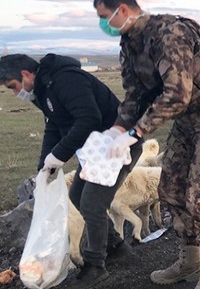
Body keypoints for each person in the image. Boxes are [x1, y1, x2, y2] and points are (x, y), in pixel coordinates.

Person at [93, 0, 200, 289]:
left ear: (123, 10)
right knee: (171, 189)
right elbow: (135, 95)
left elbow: (177, 94)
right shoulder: (130, 44)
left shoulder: (169, 33)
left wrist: (137, 132)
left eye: (104, 16)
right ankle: (190, 260)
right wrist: (118, 129)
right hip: (187, 121)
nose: (102, 24)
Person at [0, 53, 141, 288]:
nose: (17, 93)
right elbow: (53, 125)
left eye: (14, 87)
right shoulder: (43, 91)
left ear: (25, 74)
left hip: (119, 145)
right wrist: (45, 164)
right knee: (77, 194)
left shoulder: (66, 80)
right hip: (97, 151)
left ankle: (96, 267)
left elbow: (88, 118)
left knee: (92, 202)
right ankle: (117, 248)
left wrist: (60, 155)